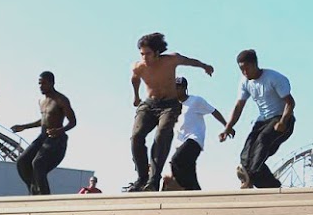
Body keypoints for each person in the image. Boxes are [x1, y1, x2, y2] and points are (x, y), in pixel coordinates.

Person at [125, 33, 214, 192]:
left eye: (148, 54)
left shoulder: (171, 60)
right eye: (142, 54)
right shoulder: (138, 67)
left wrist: (204, 66)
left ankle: (154, 179)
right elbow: (134, 79)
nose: (145, 58)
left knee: (162, 135)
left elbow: (189, 61)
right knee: (136, 137)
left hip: (170, 105)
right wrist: (136, 96)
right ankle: (141, 178)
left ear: (157, 52)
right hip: (149, 104)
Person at [220, 50, 295, 189]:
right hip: (263, 121)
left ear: (255, 64)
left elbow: (290, 103)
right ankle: (269, 186)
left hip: (283, 119)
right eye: (241, 69)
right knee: (248, 149)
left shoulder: (274, 78)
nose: (244, 72)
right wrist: (228, 127)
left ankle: (251, 175)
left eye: (247, 68)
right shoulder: (244, 82)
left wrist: (283, 122)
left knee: (262, 140)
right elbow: (239, 106)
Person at [12, 71, 77, 195]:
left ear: (52, 83)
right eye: (39, 83)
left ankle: (45, 196)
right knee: (22, 161)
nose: (41, 86)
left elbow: (73, 122)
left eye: (44, 83)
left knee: (38, 163)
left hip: (56, 138)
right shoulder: (41, 101)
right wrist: (24, 127)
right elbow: (43, 120)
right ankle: (34, 190)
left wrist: (59, 130)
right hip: (43, 136)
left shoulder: (61, 99)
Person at [167, 77, 227, 191]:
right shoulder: (172, 106)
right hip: (180, 143)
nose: (174, 90)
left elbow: (213, 111)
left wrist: (227, 126)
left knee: (176, 161)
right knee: (189, 173)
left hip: (194, 140)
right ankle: (195, 193)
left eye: (177, 87)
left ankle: (185, 188)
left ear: (184, 88)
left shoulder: (195, 101)